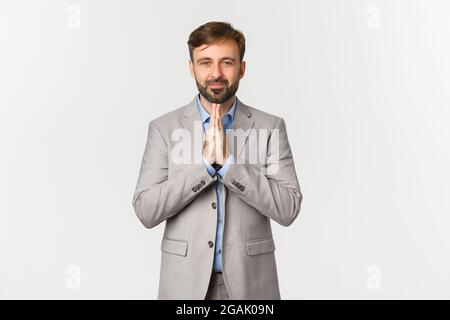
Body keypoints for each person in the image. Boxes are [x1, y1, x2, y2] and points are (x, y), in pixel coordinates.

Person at [132, 21, 302, 300]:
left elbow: (289, 208)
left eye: (227, 63)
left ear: (242, 69)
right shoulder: (164, 128)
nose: (216, 73)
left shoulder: (271, 127)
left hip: (252, 286)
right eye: (205, 62)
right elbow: (146, 210)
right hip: (183, 285)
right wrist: (206, 167)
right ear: (191, 68)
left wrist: (230, 165)